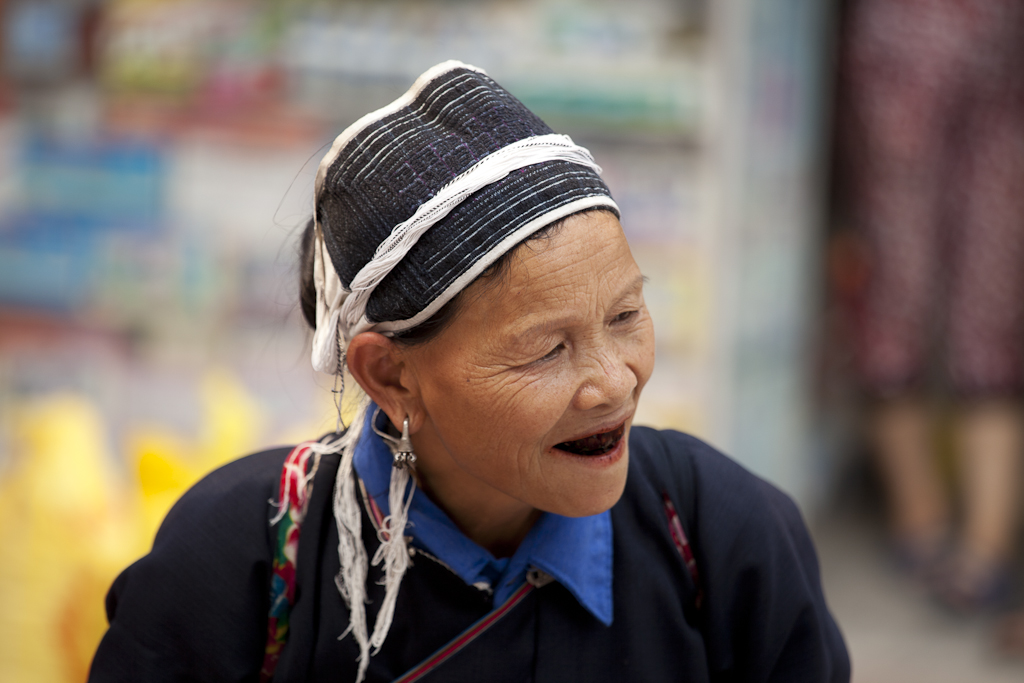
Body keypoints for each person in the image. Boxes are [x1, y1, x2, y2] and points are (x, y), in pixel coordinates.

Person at [89, 61, 849, 682]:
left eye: (625, 316)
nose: (615, 382)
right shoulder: (238, 563)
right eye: (547, 349)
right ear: (389, 373)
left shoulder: (721, 536)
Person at [839, 0, 1024, 611]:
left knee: (994, 290)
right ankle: (923, 519)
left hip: (999, 44)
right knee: (894, 275)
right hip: (906, 37)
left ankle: (984, 542)